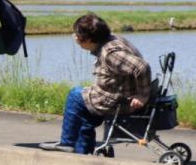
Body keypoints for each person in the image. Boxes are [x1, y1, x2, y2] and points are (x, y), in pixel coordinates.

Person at [39, 13, 151, 154]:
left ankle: (67, 142)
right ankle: (83, 154)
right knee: (84, 119)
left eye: (77, 36)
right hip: (117, 94)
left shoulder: (111, 53)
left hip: (120, 101)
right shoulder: (112, 39)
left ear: (89, 40)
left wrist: (142, 95)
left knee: (75, 95)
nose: (75, 38)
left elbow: (141, 67)